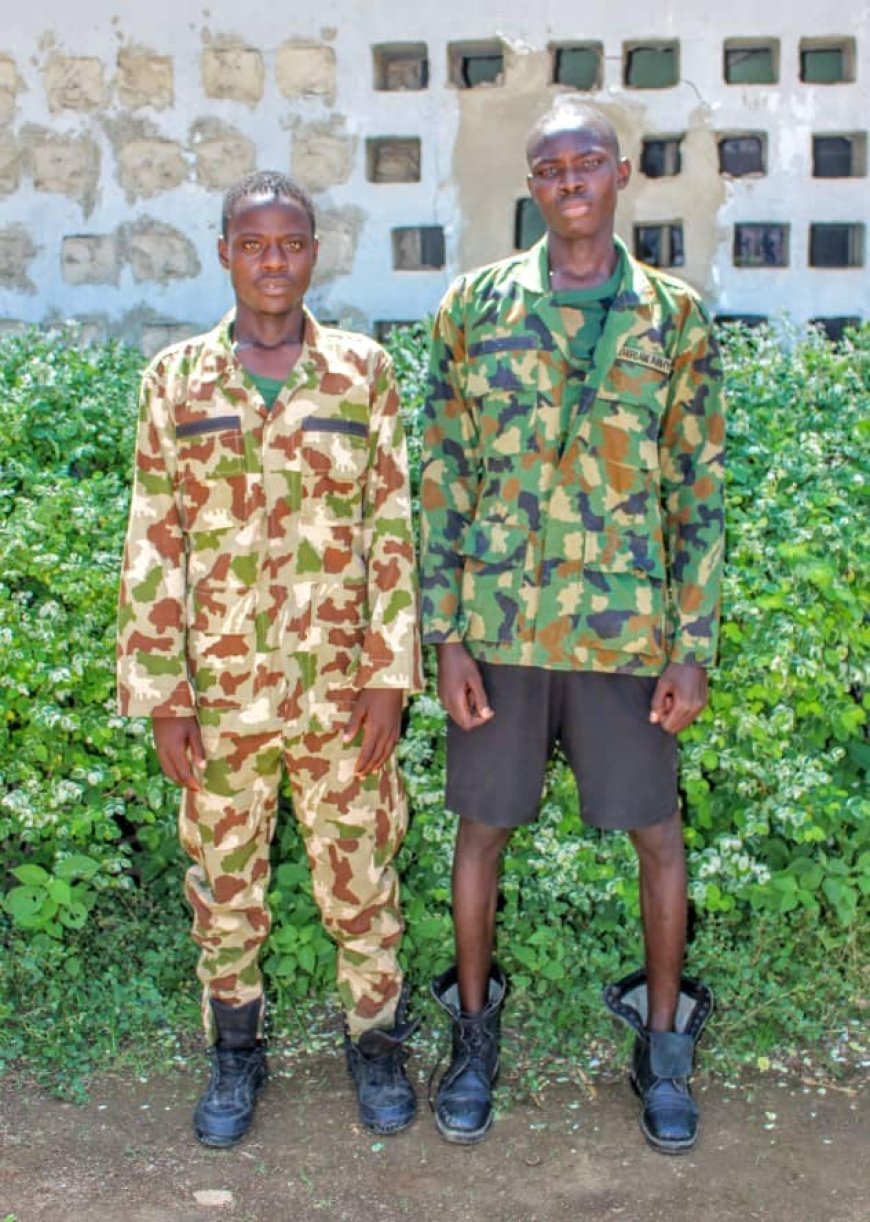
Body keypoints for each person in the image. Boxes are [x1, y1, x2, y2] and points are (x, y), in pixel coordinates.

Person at [419, 101, 724, 1152]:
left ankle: (665, 1046)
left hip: (627, 632)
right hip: (501, 629)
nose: (571, 179)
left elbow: (697, 486)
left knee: (656, 833)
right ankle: (471, 1035)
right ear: (533, 184)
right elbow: (443, 478)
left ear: (623, 172)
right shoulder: (473, 307)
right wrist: (444, 634)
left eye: (588, 160)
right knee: (482, 829)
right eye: (551, 166)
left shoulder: (673, 317)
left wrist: (694, 643)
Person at [117, 170, 422, 1148]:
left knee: (363, 877)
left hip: (339, 692)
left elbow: (392, 529)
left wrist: (389, 675)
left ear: (314, 253)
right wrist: (163, 693)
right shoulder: (176, 380)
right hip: (219, 696)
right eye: (254, 244)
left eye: (290, 243)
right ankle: (233, 1054)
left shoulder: (362, 373)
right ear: (225, 253)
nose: (274, 262)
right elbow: (153, 538)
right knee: (223, 886)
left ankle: (376, 1047)